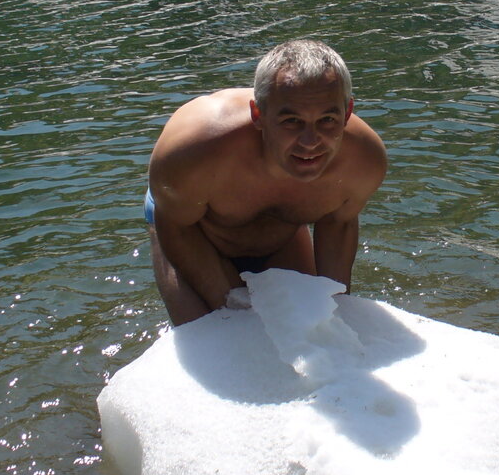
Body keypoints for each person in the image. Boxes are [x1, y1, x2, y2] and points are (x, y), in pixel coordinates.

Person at [145, 39, 387, 325]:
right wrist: (230, 304)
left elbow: (338, 223)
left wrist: (334, 313)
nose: (310, 142)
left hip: (280, 235)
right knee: (223, 338)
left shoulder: (364, 160)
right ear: (258, 114)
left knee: (317, 327)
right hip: (191, 230)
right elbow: (177, 226)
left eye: (327, 120)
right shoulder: (195, 150)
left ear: (347, 113)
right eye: (291, 121)